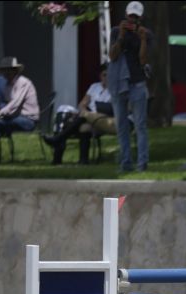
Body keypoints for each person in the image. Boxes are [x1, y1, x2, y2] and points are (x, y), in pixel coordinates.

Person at [108, 1, 152, 172]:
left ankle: (142, 163)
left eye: (136, 17)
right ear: (126, 15)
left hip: (137, 82)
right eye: (130, 16)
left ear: (140, 18)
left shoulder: (146, 34)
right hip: (119, 83)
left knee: (140, 125)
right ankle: (125, 163)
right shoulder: (116, 31)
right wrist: (121, 35)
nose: (132, 20)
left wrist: (142, 39)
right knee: (122, 125)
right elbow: (112, 55)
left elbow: (143, 60)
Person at [42, 63, 116, 165]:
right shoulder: (94, 87)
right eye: (104, 75)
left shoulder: (115, 90)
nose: (107, 77)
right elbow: (82, 104)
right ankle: (73, 158)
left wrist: (87, 113)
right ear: (100, 76)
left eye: (110, 75)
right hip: (86, 116)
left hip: (101, 119)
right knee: (63, 110)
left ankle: (58, 141)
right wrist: (83, 111)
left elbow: (111, 110)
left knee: (80, 121)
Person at [0, 57, 39, 144]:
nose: (6, 73)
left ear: (15, 70)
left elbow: (14, 104)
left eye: (8, 70)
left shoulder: (23, 82)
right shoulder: (7, 85)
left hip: (28, 120)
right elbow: (6, 104)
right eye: (4, 70)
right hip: (14, 117)